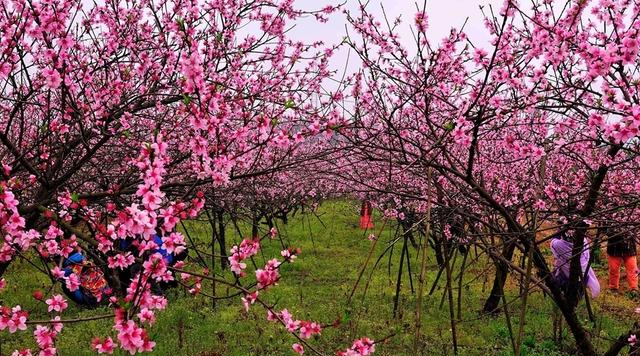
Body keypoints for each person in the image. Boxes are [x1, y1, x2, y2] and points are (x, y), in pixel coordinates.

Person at [550, 229, 600, 299]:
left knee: (565, 293)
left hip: (565, 278)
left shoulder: (558, 245)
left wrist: (561, 229)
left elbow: (553, 240)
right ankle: (576, 301)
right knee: (578, 294)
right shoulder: (583, 242)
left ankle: (568, 302)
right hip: (582, 276)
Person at [606, 227, 638, 292]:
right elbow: (607, 231)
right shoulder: (609, 217)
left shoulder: (633, 218)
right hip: (614, 247)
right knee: (613, 269)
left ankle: (634, 289)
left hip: (629, 247)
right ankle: (613, 288)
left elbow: (636, 230)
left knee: (633, 269)